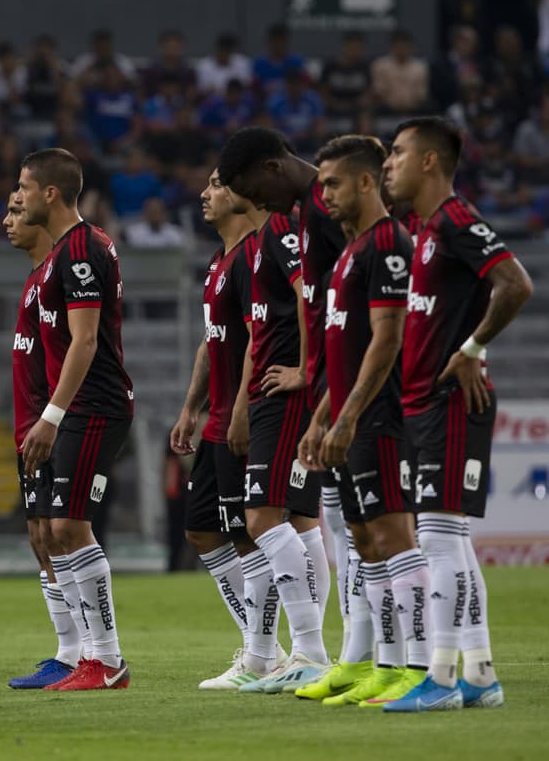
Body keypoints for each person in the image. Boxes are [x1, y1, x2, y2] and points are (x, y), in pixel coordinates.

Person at [382, 116, 533, 711]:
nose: (388, 162)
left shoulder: (454, 219)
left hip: (450, 401)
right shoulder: (421, 229)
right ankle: (479, 672)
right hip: (425, 402)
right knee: (451, 539)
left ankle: (441, 679)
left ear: (428, 161)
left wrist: (473, 348)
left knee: (439, 540)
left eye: (397, 153)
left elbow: (515, 284)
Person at [295, 135, 430, 707]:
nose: (323, 194)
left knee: (395, 539)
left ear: (367, 182)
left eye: (333, 183)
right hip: (350, 418)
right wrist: (321, 419)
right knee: (364, 541)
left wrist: (346, 417)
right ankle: (387, 665)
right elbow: (343, 355)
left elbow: (387, 340)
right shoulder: (347, 254)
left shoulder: (386, 245)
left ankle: (421, 669)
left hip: (382, 419)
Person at [216, 125, 342, 686]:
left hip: (283, 391)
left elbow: (307, 296)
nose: (256, 202)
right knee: (296, 518)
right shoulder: (278, 230)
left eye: (247, 191)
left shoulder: (289, 229)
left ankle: (311, 652)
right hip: (276, 390)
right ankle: (305, 653)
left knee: (266, 518)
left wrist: (307, 372)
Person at [16, 148, 133, 691]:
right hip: (76, 407)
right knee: (58, 532)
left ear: (51, 193)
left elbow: (85, 342)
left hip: (94, 405)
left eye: (24, 186)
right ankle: (87, 655)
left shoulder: (84, 248)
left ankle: (107, 660)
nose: (18, 196)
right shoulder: (62, 252)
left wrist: (51, 415)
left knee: (68, 527)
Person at [171, 170, 280, 691]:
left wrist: (240, 406)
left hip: (242, 414)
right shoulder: (218, 261)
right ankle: (261, 645)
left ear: (239, 195)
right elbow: (211, 340)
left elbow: (260, 338)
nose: (204, 193)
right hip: (214, 418)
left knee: (248, 533)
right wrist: (191, 406)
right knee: (200, 529)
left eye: (216, 185)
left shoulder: (254, 255)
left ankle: (263, 654)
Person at [1, 191, 79, 690]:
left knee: (60, 533)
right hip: (27, 426)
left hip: (52, 424)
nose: (8, 219)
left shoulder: (59, 273)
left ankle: (81, 649)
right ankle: (65, 649)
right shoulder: (33, 280)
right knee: (39, 538)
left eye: (15, 210)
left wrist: (52, 416)